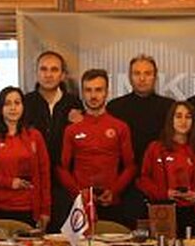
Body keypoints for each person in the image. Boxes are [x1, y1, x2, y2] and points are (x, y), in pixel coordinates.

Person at [57, 69, 137, 228]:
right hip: (81, 204)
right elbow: (62, 168)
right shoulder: (71, 129)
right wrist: (79, 193)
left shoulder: (120, 127)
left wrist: (114, 191)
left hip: (111, 202)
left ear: (107, 92)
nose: (93, 96)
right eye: (88, 90)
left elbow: (130, 166)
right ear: (82, 93)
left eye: (98, 90)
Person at [23, 51, 83, 231]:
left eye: (54, 70)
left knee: (62, 236)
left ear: (62, 75)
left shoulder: (74, 103)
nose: (48, 75)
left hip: (64, 183)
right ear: (36, 73)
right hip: (32, 182)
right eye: (44, 69)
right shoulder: (24, 103)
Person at [0, 87, 51, 228]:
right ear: (0, 108)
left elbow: (44, 174)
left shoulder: (35, 136)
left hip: (29, 209)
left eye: (17, 103)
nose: (13, 108)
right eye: (8, 103)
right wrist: (9, 182)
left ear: (23, 106)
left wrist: (45, 210)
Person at [137, 101, 195, 237]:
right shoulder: (155, 148)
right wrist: (164, 194)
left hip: (191, 211)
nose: (183, 121)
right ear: (171, 120)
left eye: (188, 117)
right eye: (178, 116)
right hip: (163, 211)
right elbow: (143, 180)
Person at [107, 54, 175, 166]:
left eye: (147, 73)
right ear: (129, 77)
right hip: (124, 170)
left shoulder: (170, 107)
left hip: (159, 170)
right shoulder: (114, 107)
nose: (142, 79)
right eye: (137, 73)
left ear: (155, 77)